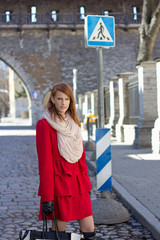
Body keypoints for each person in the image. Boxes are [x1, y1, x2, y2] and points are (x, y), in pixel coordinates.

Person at [36, 82, 96, 240]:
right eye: (60, 99)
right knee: (59, 233)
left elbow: (81, 159)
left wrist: (86, 184)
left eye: (67, 99)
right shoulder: (45, 125)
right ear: (53, 100)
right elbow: (45, 164)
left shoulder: (74, 124)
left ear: (71, 101)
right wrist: (47, 197)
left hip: (78, 183)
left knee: (89, 230)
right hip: (59, 185)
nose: (63, 103)